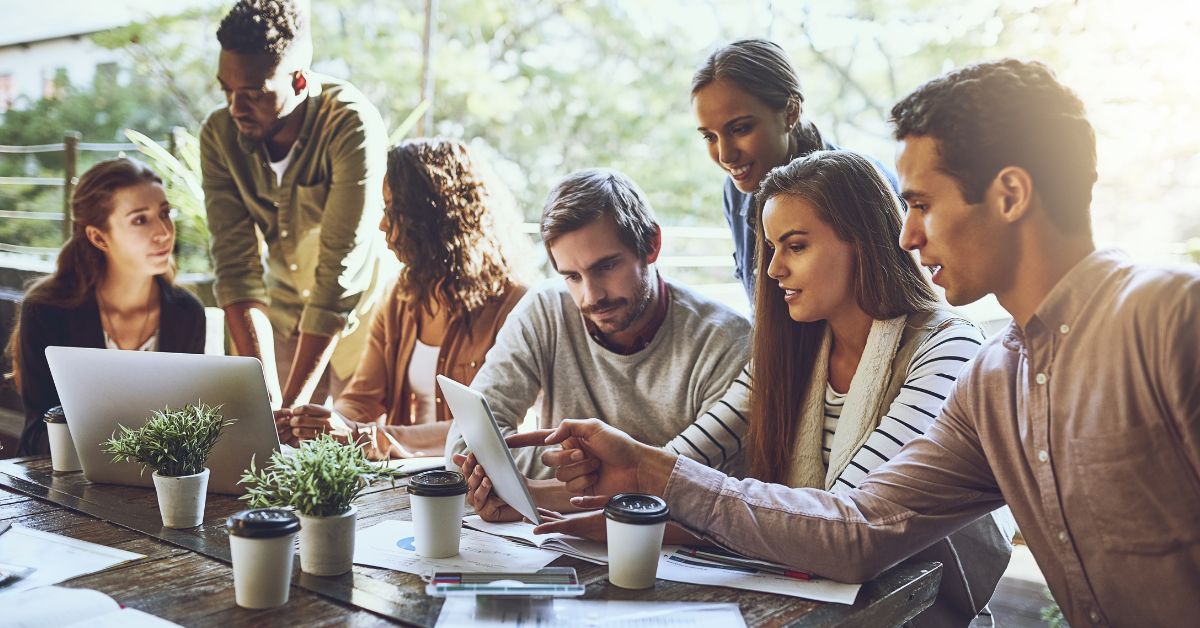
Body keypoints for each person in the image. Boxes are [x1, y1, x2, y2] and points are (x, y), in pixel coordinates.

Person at [526, 60, 1200, 627]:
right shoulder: (997, 380)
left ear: (1011, 193)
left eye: (923, 205)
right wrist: (639, 478)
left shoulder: (1168, 316)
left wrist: (660, 480)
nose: (907, 237)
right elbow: (856, 530)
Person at [543, 151, 1013, 626]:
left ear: (864, 240)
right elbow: (680, 461)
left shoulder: (947, 347)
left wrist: (659, 489)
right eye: (771, 248)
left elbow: (845, 530)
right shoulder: (793, 353)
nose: (773, 270)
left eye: (796, 246)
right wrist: (533, 493)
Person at [445, 168, 751, 520]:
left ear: (651, 245)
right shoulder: (545, 310)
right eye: (572, 277)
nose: (591, 296)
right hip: (555, 545)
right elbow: (465, 448)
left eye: (606, 267)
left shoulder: (723, 341)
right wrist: (582, 468)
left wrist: (536, 489)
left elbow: (710, 495)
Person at [274, 139, 526, 458]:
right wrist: (322, 423)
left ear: (436, 217)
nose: (382, 225)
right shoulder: (400, 296)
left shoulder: (515, 307)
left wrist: (364, 436)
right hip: (403, 481)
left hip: (475, 486)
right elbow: (362, 398)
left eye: (394, 211)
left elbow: (491, 425)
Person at [202, 0, 388, 409]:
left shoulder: (350, 125)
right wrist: (265, 393)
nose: (235, 108)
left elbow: (338, 274)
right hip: (279, 316)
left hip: (359, 320)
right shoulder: (219, 135)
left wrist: (292, 404)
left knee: (353, 452)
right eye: (226, 90)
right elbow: (235, 268)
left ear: (300, 82)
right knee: (265, 442)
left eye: (253, 93)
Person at [9, 158, 205, 455]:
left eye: (165, 213)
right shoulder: (46, 311)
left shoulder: (187, 313)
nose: (164, 232)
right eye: (141, 219)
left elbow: (190, 428)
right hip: (67, 488)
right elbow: (38, 434)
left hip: (158, 487)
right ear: (98, 237)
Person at [692, 38, 898, 303]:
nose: (725, 155)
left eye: (740, 129)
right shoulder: (736, 190)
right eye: (710, 137)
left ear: (790, 112)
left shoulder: (861, 186)